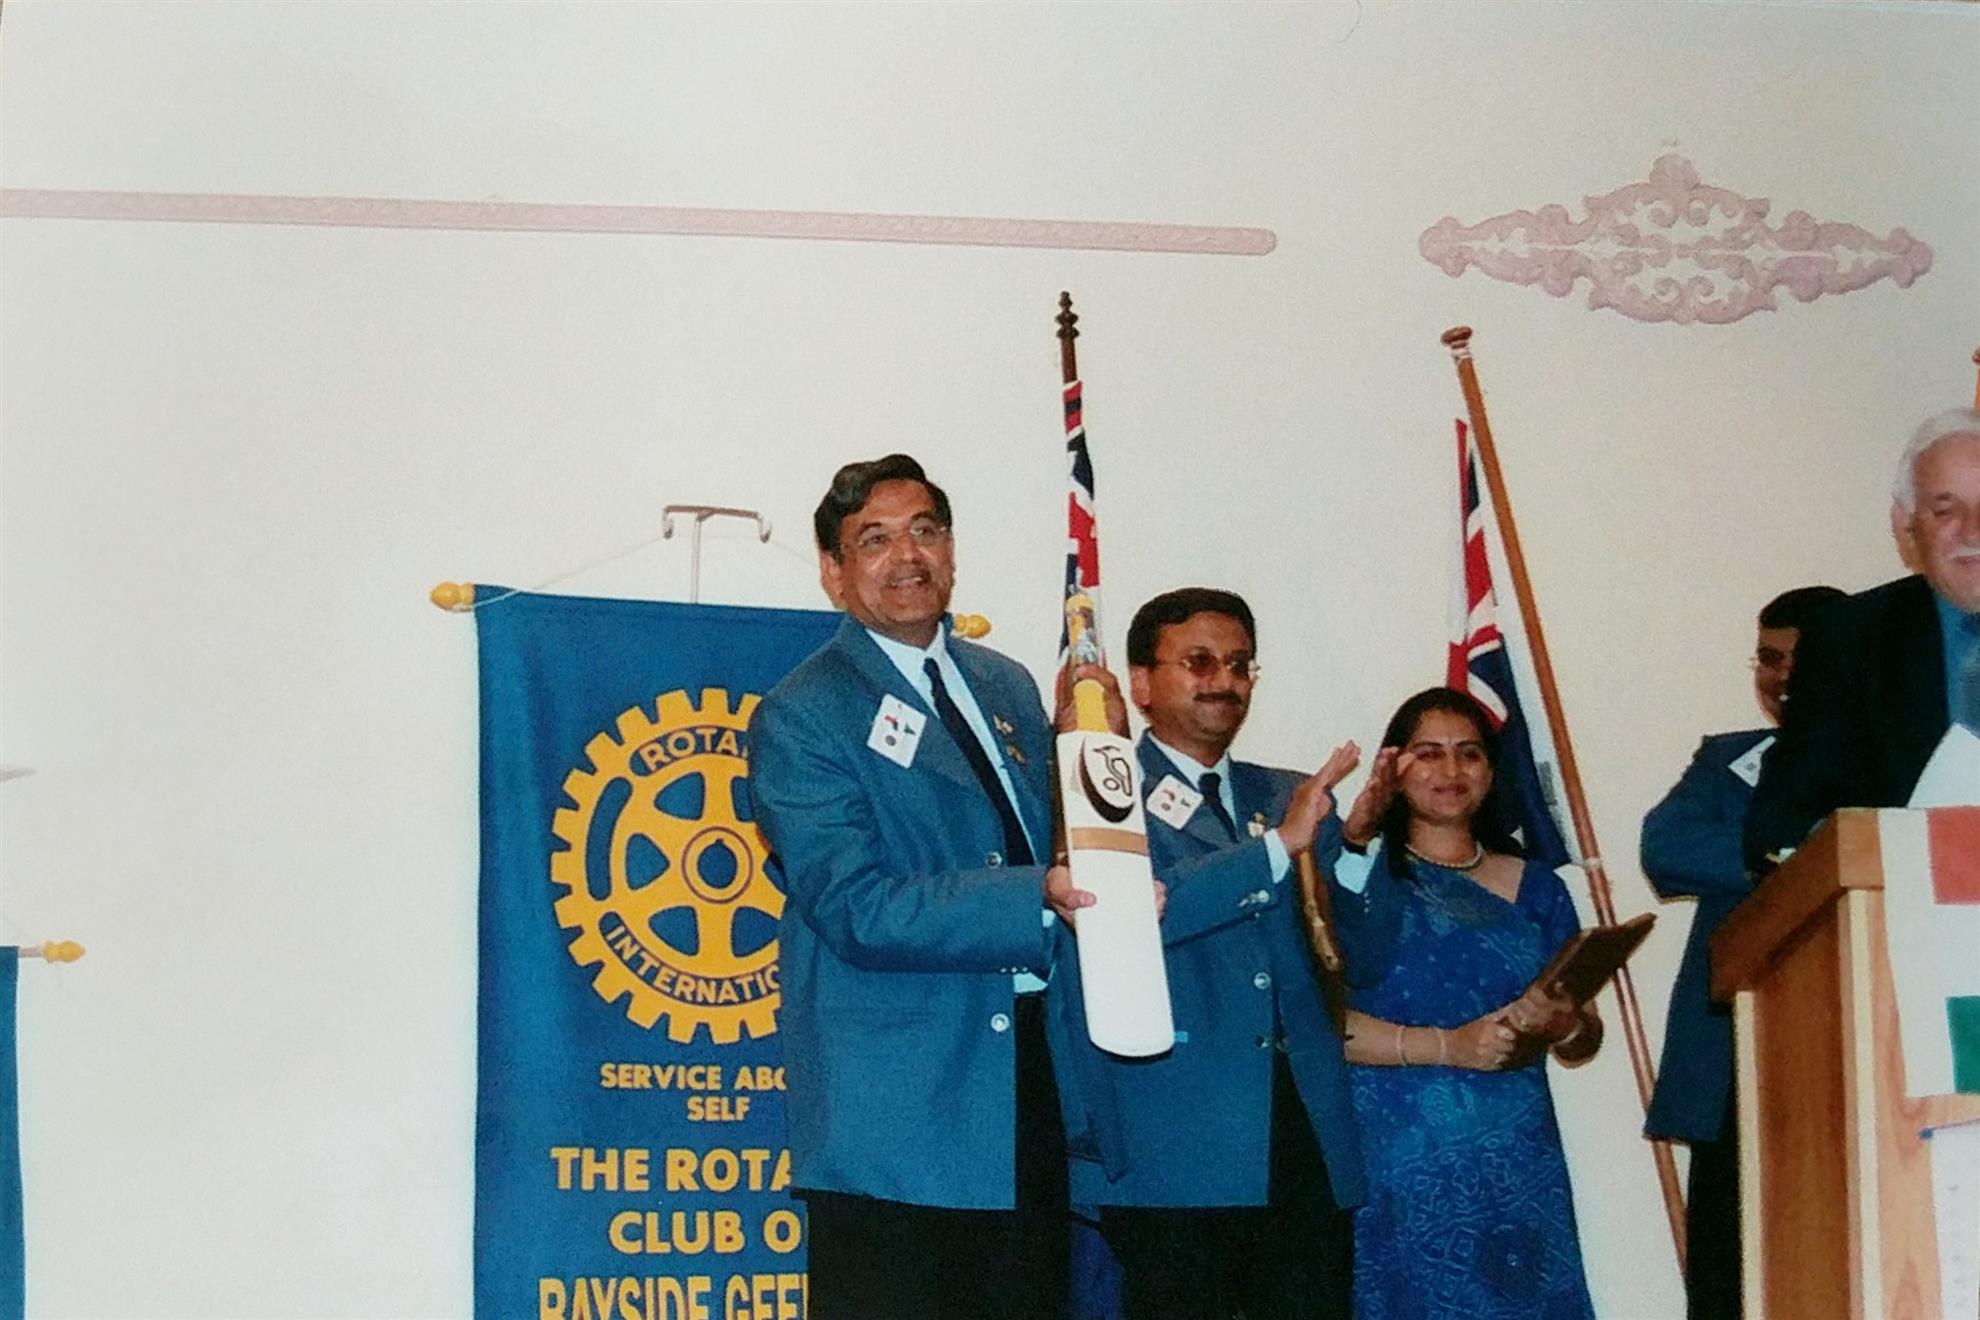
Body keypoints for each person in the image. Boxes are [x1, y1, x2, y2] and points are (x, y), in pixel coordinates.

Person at [747, 453, 1126, 1320]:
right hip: (897, 1112)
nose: (907, 555)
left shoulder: (1007, 684)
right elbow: (856, 907)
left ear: (951, 550)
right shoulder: (803, 712)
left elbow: (1050, 844)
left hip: (1027, 1083)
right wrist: (1034, 896)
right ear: (833, 571)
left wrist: (1094, 751)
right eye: (874, 540)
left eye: (925, 530)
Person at [1070, 588, 1365, 1320]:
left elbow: (1359, 956)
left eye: (1239, 664)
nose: (1224, 681)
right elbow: (1130, 916)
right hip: (1175, 1139)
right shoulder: (1100, 789)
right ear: (1141, 684)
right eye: (1199, 662)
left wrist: (1359, 846)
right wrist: (1277, 848)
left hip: (1300, 1132)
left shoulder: (1288, 793)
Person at [1332, 686, 1598, 1320]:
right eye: (1428, 753)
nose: (1451, 770)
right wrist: (1449, 1046)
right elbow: (1320, 1023)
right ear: (1395, 768)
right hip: (1398, 1161)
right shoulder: (1355, 878)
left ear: (1492, 770)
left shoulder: (1540, 889)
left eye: (1469, 753)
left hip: (1519, 1162)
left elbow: (1585, 1038)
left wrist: (1562, 1024)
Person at [1640, 585, 1843, 1320]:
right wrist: (1802, 851)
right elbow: (1667, 847)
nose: (1781, 677)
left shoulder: (1888, 758)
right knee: (1725, 1289)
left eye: (1800, 660)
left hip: (1846, 1060)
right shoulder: (1730, 762)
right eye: (1767, 659)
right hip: (1731, 1064)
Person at [1746, 407, 1980, 869]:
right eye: (1945, 511)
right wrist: (1873, 857)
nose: (1973, 531)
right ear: (1906, 524)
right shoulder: (1850, 638)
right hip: (1907, 902)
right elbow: (1782, 824)